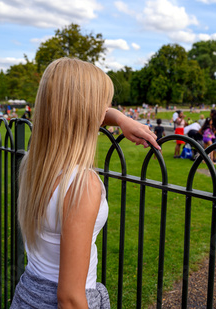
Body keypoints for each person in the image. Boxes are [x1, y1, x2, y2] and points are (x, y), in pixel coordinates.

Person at [10, 58, 158, 309]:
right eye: (104, 105)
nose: (106, 112)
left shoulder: (34, 163)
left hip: (27, 294)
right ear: (87, 112)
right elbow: (69, 298)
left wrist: (122, 119)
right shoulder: (82, 184)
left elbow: (73, 112)